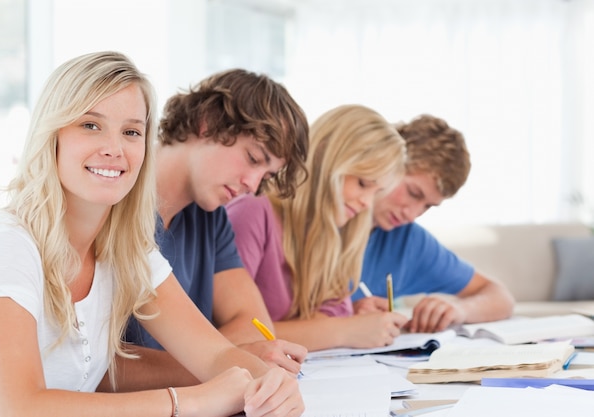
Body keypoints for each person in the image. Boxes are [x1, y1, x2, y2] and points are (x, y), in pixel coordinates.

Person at [0, 51, 303, 417]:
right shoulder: (4, 244)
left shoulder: (128, 251)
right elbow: (20, 407)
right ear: (53, 135)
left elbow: (217, 355)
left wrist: (272, 385)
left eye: (131, 132)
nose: (114, 149)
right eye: (90, 125)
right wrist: (189, 401)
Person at [123, 68, 310, 383]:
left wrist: (219, 360)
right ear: (206, 122)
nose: (252, 185)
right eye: (253, 158)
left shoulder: (210, 217)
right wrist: (227, 362)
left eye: (265, 176)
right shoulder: (114, 203)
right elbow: (96, 366)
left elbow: (253, 323)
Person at [226, 104, 409, 352]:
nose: (367, 203)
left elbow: (323, 322)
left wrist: (353, 320)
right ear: (326, 160)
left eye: (376, 193)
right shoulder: (253, 212)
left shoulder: (334, 230)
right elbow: (236, 335)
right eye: (363, 183)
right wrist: (347, 329)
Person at [352, 114, 515, 333]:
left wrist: (459, 309)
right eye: (413, 193)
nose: (412, 215)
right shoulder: (323, 222)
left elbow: (499, 296)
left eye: (427, 206)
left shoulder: (407, 240)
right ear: (386, 163)